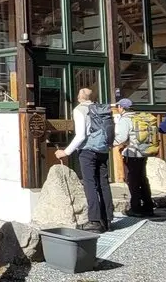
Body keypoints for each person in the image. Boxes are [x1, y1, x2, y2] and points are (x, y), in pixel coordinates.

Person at [54, 88, 115, 233]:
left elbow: (81, 135)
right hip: (103, 149)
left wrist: (66, 152)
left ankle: (94, 221)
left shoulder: (79, 110)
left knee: (90, 184)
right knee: (103, 183)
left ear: (79, 97)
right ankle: (107, 219)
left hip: (87, 150)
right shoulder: (101, 109)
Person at [112, 99, 155, 218]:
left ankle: (135, 208)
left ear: (122, 107)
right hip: (144, 152)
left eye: (119, 107)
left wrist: (111, 144)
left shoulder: (125, 120)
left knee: (133, 181)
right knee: (142, 179)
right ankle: (148, 206)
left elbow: (121, 138)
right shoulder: (140, 118)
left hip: (132, 153)